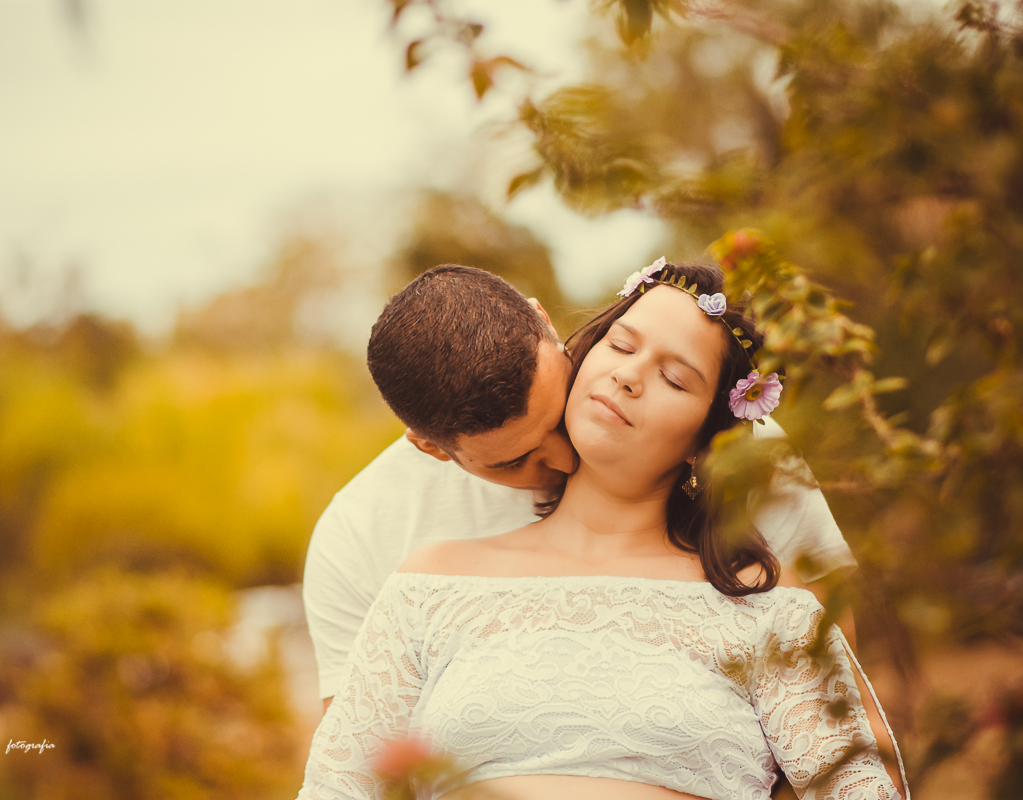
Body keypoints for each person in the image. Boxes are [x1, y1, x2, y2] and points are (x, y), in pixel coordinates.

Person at [296, 262, 907, 800]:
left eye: (675, 379)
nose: (560, 458)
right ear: (431, 449)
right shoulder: (408, 572)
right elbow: (343, 784)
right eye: (621, 345)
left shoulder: (769, 596)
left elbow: (855, 765)